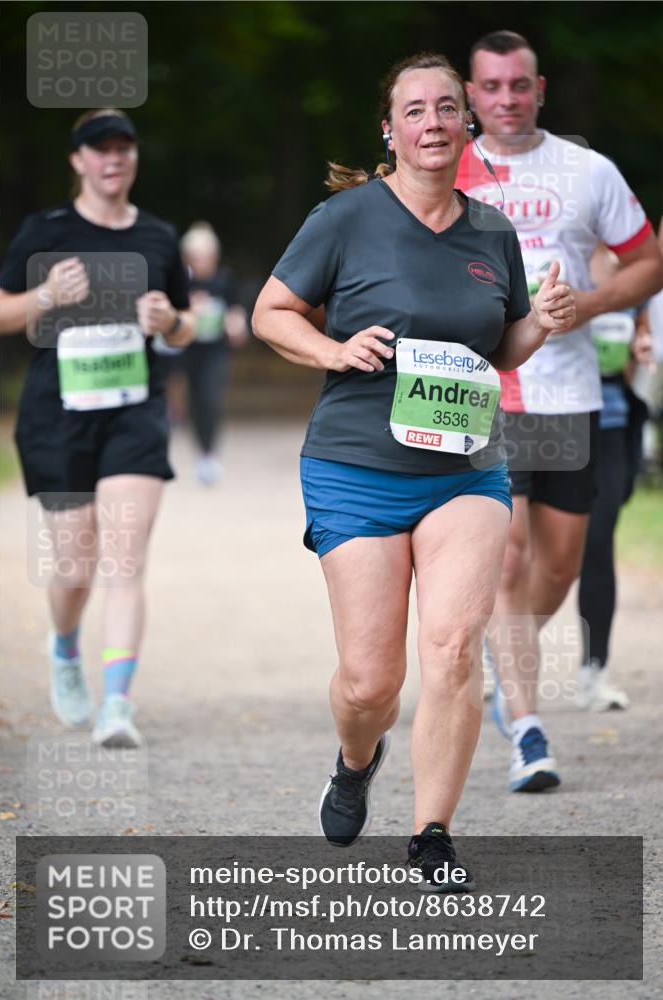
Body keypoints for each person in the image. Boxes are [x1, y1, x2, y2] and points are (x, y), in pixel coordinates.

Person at [252, 52, 575, 889]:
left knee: (452, 649)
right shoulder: (345, 218)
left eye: (446, 107)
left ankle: (432, 835)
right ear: (389, 131)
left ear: (466, 124)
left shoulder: (491, 231)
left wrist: (540, 321)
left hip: (465, 467)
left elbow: (501, 344)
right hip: (355, 465)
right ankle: (356, 760)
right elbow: (271, 312)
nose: (432, 121)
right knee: (371, 683)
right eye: (415, 109)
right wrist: (332, 349)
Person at [457, 31, 663, 790]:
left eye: (519, 85)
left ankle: (501, 658)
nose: (506, 99)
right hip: (479, 389)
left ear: (539, 89)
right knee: (506, 558)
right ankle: (528, 728)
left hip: (567, 392)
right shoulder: (446, 167)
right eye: (490, 87)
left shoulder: (587, 171)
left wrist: (593, 304)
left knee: (558, 566)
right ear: (470, 95)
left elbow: (648, 262)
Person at [0, 109, 193, 747]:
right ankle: (63, 645)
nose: (114, 159)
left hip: (134, 413)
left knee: (125, 559)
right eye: (100, 150)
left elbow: (186, 324)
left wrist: (169, 322)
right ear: (78, 161)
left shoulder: (159, 237)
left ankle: (117, 705)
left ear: (134, 158)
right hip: (57, 417)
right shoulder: (45, 230)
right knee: (75, 565)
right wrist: (46, 295)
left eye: (123, 149)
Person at [577, 245, 652, 710]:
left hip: (611, 427)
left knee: (598, 542)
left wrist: (640, 350)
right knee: (530, 554)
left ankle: (594, 670)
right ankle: (498, 659)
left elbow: (640, 354)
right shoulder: (549, 262)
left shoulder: (635, 285)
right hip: (553, 426)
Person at [161, 222, 249, 486]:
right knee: (181, 396)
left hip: (213, 351)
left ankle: (208, 454)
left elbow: (238, 313)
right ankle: (177, 425)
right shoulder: (179, 280)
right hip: (181, 351)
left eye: (206, 257)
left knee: (209, 400)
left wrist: (236, 323)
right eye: (195, 257)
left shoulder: (225, 279)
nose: (201, 262)